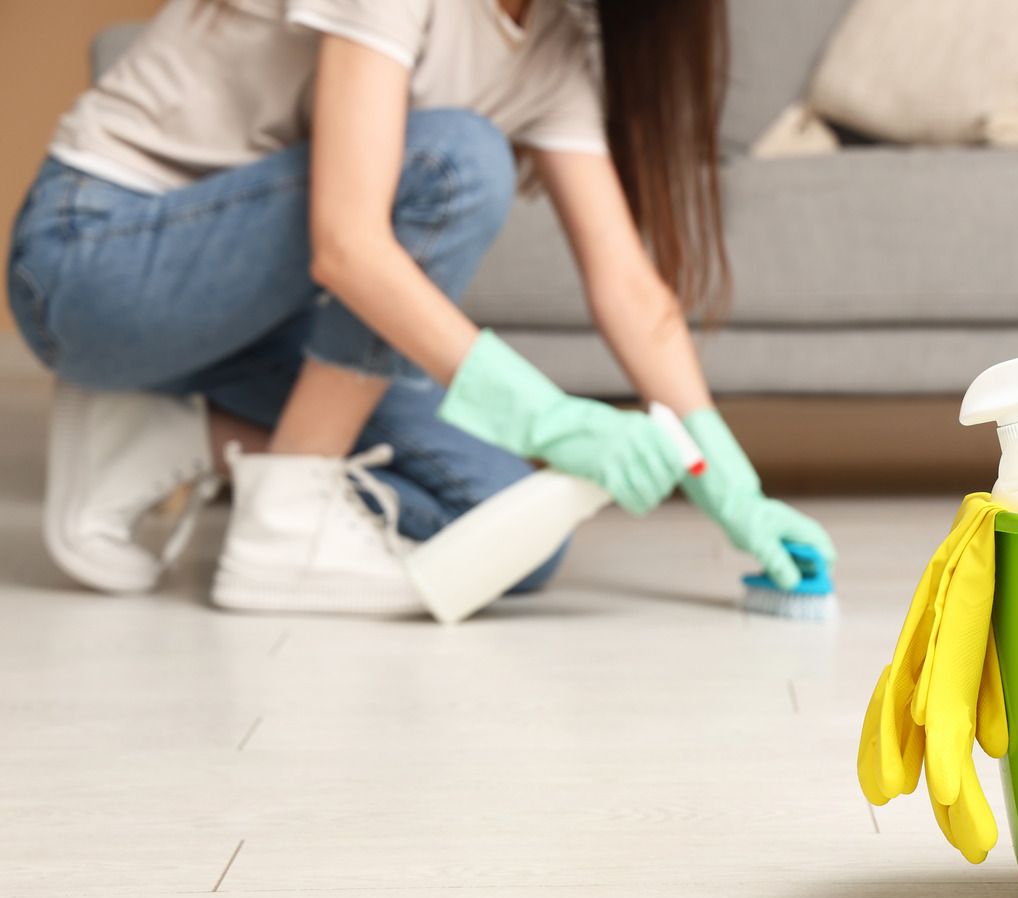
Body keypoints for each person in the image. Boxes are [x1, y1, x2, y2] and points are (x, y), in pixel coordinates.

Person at [6, 0, 833, 615]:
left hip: (253, 323)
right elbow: (347, 245)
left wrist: (731, 485)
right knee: (458, 159)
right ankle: (283, 514)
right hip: (94, 265)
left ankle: (164, 434)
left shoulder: (555, 45)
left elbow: (629, 288)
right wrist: (548, 417)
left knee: (507, 533)